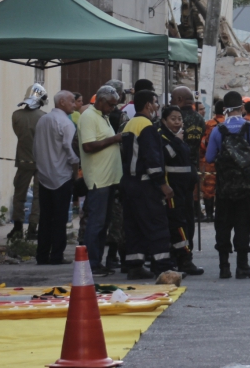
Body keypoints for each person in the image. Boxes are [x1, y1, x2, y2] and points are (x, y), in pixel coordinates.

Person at [204, 92, 250, 278]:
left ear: (224, 108)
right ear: (242, 108)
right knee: (244, 224)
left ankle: (224, 267)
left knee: (223, 224)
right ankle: (242, 266)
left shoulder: (218, 130)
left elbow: (209, 158)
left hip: (225, 186)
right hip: (246, 186)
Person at [119, 90, 177, 280]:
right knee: (157, 226)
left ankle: (135, 266)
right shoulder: (146, 127)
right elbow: (152, 159)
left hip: (129, 184)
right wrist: (162, 184)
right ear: (147, 105)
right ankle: (164, 268)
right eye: (155, 103)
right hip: (145, 185)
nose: (157, 107)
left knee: (134, 227)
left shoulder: (129, 124)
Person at [78, 85, 123, 276]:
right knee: (96, 223)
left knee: (103, 223)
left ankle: (97, 261)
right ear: (101, 101)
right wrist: (115, 139)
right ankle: (91, 263)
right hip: (99, 179)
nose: (113, 109)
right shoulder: (88, 117)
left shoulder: (102, 116)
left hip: (109, 178)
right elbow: (88, 146)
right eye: (111, 105)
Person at [32, 91, 80, 266]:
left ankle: (42, 254)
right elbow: (72, 152)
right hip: (62, 176)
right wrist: (76, 173)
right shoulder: (66, 124)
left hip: (44, 175)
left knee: (45, 217)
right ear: (62, 102)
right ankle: (56, 255)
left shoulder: (42, 120)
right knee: (59, 219)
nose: (74, 105)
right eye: (72, 102)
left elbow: (35, 148)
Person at [158, 105, 204, 275]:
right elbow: (164, 156)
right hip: (173, 190)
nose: (177, 122)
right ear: (164, 120)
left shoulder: (180, 136)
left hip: (185, 189)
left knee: (187, 222)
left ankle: (185, 255)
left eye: (179, 119)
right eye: (173, 119)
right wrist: (176, 141)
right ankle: (183, 259)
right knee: (178, 224)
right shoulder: (163, 137)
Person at [10, 84, 47, 240]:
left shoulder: (16, 115)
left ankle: (17, 226)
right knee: (38, 197)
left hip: (23, 160)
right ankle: (33, 228)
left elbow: (18, 134)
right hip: (40, 162)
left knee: (19, 194)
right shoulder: (44, 117)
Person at [170, 87, 206, 222]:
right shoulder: (199, 119)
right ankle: (188, 240)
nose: (170, 101)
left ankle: (180, 240)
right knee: (188, 206)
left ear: (179, 99)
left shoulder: (175, 118)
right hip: (192, 168)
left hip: (176, 169)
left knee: (176, 210)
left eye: (172, 98)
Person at [198, 98, 225, 222]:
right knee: (223, 186)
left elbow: (202, 143)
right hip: (226, 161)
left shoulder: (208, 124)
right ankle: (221, 214)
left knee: (208, 188)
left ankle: (209, 215)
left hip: (210, 160)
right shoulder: (229, 123)